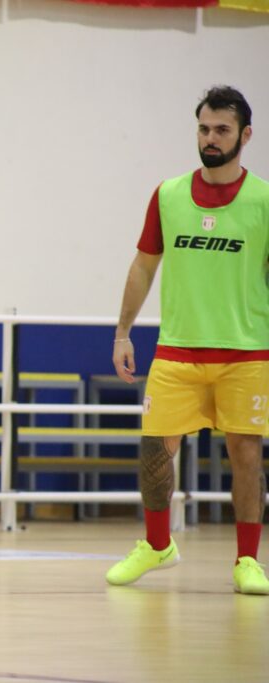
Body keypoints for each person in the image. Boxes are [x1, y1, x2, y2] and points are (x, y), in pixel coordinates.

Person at [108, 85, 269, 595]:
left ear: (244, 135)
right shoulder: (168, 194)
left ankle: (247, 560)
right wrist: (123, 333)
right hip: (177, 349)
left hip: (246, 352)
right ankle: (159, 545)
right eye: (204, 128)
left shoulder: (265, 200)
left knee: (246, 454)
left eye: (222, 129)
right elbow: (142, 266)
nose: (211, 138)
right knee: (154, 450)